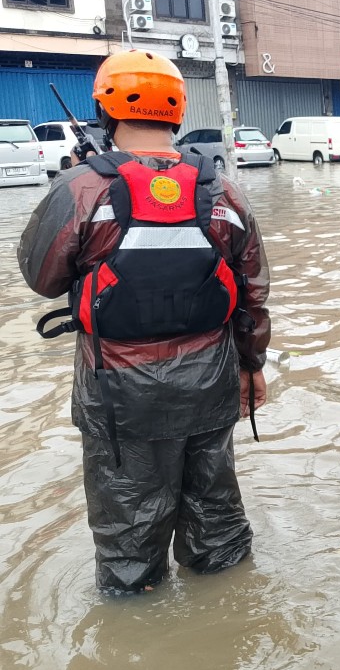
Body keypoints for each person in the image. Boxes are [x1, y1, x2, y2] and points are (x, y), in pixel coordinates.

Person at [18, 49, 271, 594]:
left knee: (129, 538)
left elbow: (41, 276)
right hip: (211, 381)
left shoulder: (80, 187)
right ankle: (227, 614)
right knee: (217, 523)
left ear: (106, 109)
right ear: (177, 110)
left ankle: (135, 627)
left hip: (118, 393)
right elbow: (252, 293)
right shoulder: (223, 189)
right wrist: (252, 367)